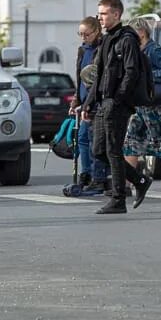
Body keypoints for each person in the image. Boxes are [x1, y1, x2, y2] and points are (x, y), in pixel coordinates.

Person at [82, 0, 150, 215]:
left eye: (103, 14)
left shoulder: (126, 39)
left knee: (113, 150)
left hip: (117, 104)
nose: (99, 18)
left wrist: (119, 98)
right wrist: (88, 103)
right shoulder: (107, 39)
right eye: (98, 14)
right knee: (98, 151)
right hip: (103, 102)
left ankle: (119, 198)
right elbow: (98, 74)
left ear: (116, 15)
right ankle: (139, 179)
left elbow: (131, 72)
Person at [121, 17, 161, 200]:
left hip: (154, 106)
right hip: (140, 106)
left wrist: (147, 75)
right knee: (131, 144)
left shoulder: (154, 50)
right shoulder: (138, 51)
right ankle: (125, 185)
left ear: (141, 33)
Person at [70, 17, 109, 193]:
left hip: (96, 102)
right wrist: (76, 100)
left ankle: (97, 176)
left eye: (86, 34)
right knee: (83, 139)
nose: (84, 37)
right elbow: (80, 78)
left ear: (96, 31)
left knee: (95, 141)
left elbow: (96, 79)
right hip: (85, 101)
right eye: (81, 34)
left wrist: (88, 103)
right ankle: (86, 173)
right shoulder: (82, 50)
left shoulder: (101, 49)